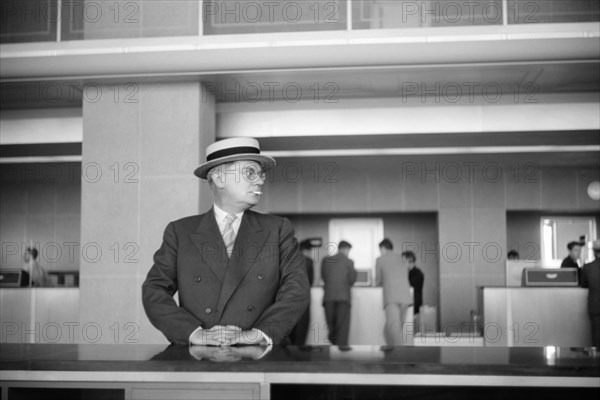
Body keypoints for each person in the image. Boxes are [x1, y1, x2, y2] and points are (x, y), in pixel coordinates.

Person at [142, 137, 310, 346]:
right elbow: (154, 289)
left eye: (261, 174)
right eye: (250, 173)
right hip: (198, 357)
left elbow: (297, 288)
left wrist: (260, 333)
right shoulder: (180, 231)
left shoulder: (277, 229)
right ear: (220, 178)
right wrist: (192, 333)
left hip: (261, 355)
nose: (259, 181)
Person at [375, 239, 412, 346]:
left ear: (382, 248)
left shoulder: (380, 259)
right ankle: (389, 351)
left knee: (393, 329)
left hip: (392, 297)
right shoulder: (402, 259)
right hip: (405, 297)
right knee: (394, 328)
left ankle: (396, 356)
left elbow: (378, 281)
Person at [321, 240, 356, 351]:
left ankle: (333, 342)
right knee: (342, 325)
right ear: (346, 249)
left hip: (329, 297)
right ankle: (341, 349)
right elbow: (352, 280)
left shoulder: (326, 260)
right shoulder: (349, 262)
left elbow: (324, 277)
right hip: (343, 297)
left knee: (331, 324)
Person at [289, 239, 315, 345]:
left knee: (291, 325)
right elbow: (311, 281)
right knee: (302, 325)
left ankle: (290, 351)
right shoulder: (308, 261)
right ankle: (299, 352)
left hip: (289, 297)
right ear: (307, 250)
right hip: (303, 297)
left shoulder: (289, 260)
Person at [581, 240, 600, 347]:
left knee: (596, 335)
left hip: (595, 305)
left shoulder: (588, 267)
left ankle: (596, 360)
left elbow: (583, 284)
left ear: (593, 251)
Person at [407, 251, 424, 317]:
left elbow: (409, 287)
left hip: (414, 306)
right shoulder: (411, 273)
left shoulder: (417, 274)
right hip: (413, 305)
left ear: (410, 261)